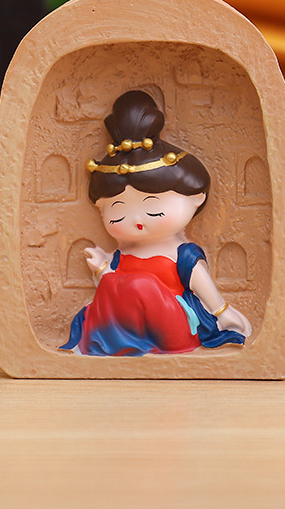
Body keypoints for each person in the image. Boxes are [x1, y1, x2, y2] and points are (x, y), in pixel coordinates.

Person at [61, 90, 252, 356]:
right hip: (127, 325)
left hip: (174, 325)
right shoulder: (122, 255)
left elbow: (203, 288)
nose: (137, 220)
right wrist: (103, 268)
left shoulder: (183, 255)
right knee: (116, 283)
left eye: (153, 208)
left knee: (140, 285)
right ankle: (111, 346)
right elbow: (115, 296)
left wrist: (222, 313)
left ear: (196, 198)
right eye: (118, 212)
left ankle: (131, 344)